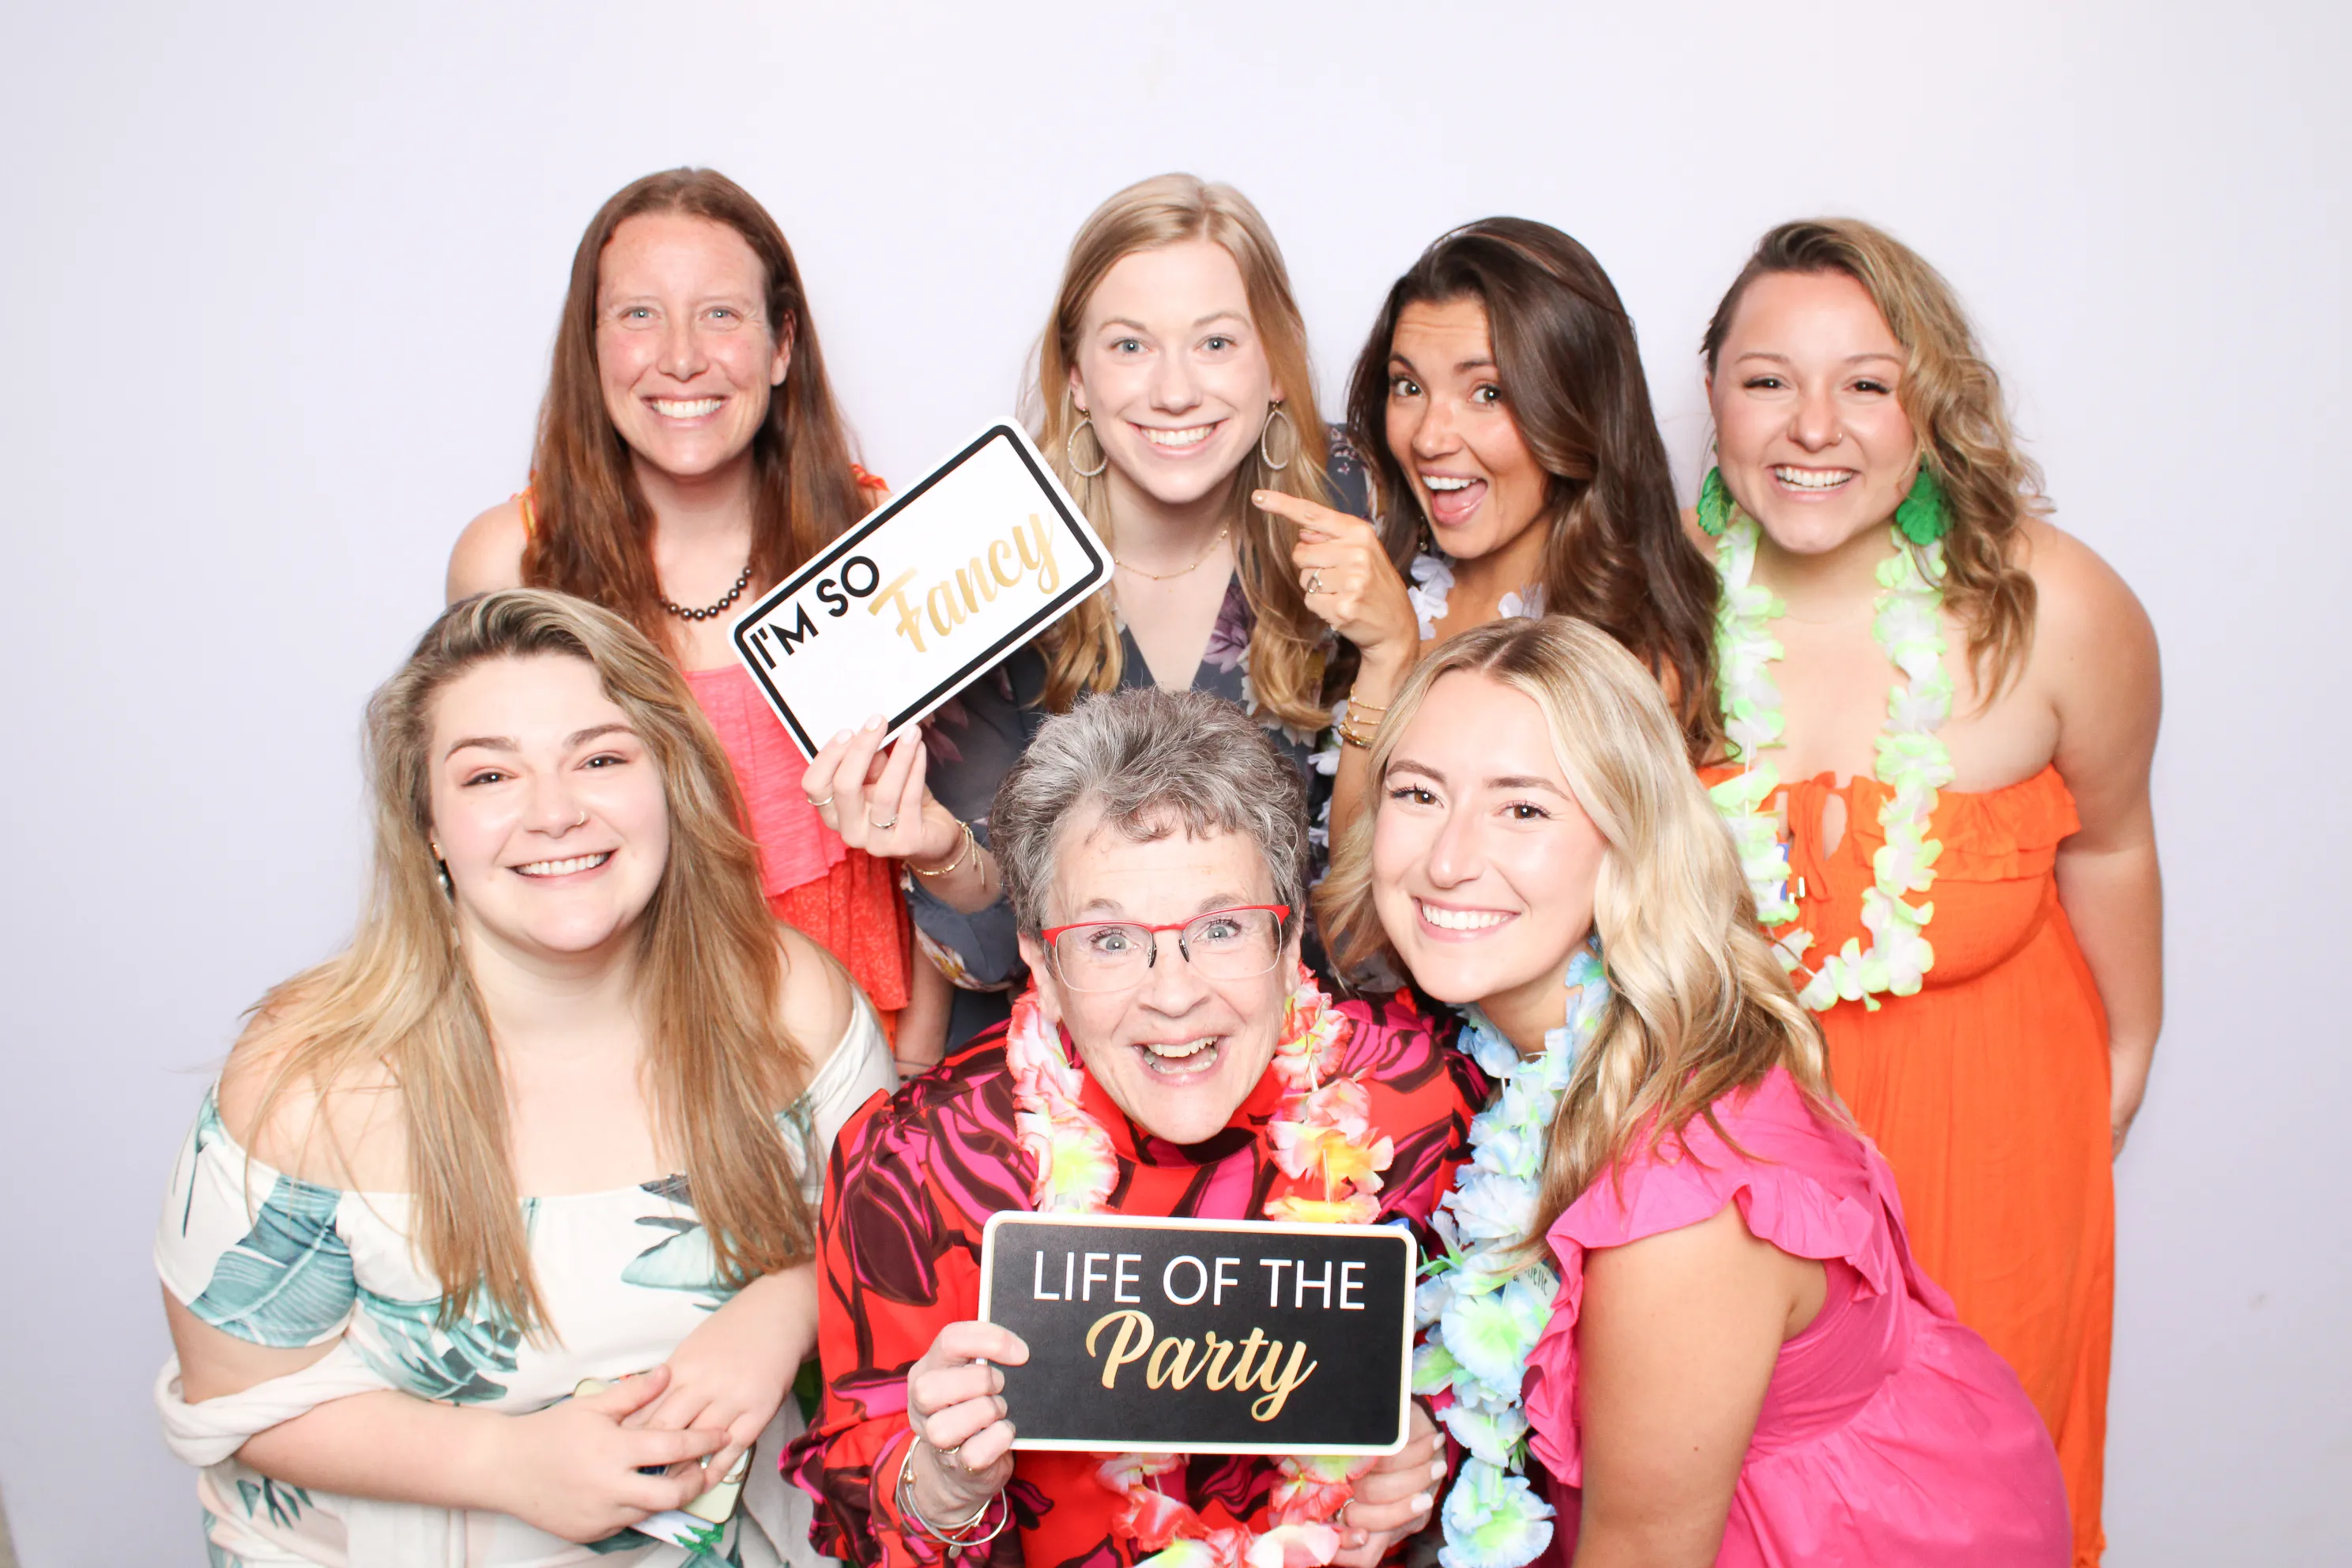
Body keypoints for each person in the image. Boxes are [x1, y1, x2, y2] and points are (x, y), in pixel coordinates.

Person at [154, 590, 892, 1566]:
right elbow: (231, 1401)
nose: (555, 812)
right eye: (491, 775)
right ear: (428, 825)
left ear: (671, 781)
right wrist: (506, 1463)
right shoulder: (305, 1082)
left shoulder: (792, 1006)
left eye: (600, 759)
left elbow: (900, 1251)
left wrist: (785, 1307)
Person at [1318, 616, 2069, 1567]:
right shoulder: (1477, 1058)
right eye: (1419, 793)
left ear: (1628, 836)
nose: (1448, 860)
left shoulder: (1681, 1196)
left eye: (1524, 810)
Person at [1690, 219, 2162, 1564]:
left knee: (1981, 1515)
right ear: (1713, 394)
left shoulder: (2053, 605)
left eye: (1867, 383)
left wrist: (2120, 1071)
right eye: (1768, 379)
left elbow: (2113, 845)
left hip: (1997, 1155)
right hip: (1738, 1183)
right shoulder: (1646, 603)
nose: (1813, 426)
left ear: (1930, 404)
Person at [789, 686, 1483, 1567]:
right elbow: (861, 1507)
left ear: (1290, 939)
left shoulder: (1418, 1108)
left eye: (1222, 927)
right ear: (1042, 960)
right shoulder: (920, 1164)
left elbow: (1505, 1406)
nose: (1174, 993)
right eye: (1110, 940)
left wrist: (1427, 1464)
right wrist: (941, 1485)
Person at [797, 173, 1370, 1042]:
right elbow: (996, 951)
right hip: (1070, 1063)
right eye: (1130, 345)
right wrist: (936, 851)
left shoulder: (1354, 508)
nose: (1174, 391)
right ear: (1075, 376)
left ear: (1276, 365)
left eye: (1216, 342)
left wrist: (1394, 649)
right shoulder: (984, 561)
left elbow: (1383, 906)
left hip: (1312, 1049)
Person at [446, 167, 944, 1069]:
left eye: (720, 314)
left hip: (856, 1032)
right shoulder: (509, 562)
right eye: (639, 314)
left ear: (781, 345)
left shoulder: (878, 536)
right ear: (591, 347)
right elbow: (485, 838)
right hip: (618, 1044)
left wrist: (914, 1057)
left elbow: (933, 817)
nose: (681, 357)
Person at [1253, 218, 1721, 849]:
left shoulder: (1632, 654)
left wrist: (1394, 659)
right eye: (1408, 386)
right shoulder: (1374, 579)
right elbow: (1341, 897)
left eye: (1488, 392)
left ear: (1578, 408)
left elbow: (1377, 890)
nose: (1430, 437)